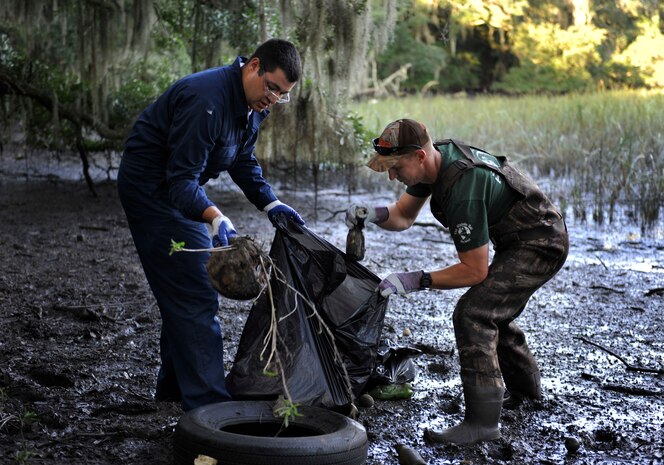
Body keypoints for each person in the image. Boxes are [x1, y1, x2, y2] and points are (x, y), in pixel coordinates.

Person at [345, 119, 568, 444]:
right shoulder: (436, 161)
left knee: (473, 313)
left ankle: (482, 423)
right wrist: (374, 214)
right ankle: (527, 395)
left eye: (395, 167)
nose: (392, 176)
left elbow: (473, 271)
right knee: (494, 309)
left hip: (541, 243)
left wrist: (416, 279)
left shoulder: (463, 186)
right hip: (518, 239)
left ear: (420, 156)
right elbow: (404, 215)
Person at [117, 39, 305, 412]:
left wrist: (271, 202)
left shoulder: (255, 104)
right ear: (253, 67)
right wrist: (217, 217)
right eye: (272, 88)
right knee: (195, 291)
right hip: (151, 190)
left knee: (183, 287)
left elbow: (241, 158)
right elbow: (181, 183)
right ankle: (208, 407)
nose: (273, 100)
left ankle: (173, 390)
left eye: (282, 95)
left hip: (178, 187)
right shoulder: (205, 99)